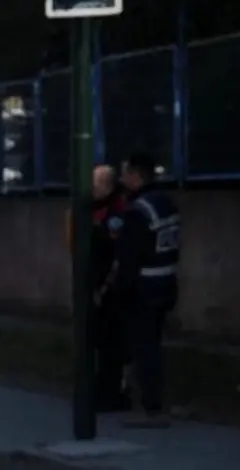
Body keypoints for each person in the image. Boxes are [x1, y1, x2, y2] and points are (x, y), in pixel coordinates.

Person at [116, 152, 179, 427]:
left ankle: (150, 408)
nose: (121, 177)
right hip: (166, 284)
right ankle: (155, 404)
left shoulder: (138, 212)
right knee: (153, 346)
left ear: (137, 175)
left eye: (125, 172)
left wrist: (120, 290)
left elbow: (129, 258)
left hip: (143, 289)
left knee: (144, 350)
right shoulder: (166, 204)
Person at [90, 164, 131, 412]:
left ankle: (112, 393)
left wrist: (106, 285)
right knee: (101, 342)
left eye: (95, 185)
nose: (91, 190)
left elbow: (117, 252)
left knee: (112, 343)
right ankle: (103, 390)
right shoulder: (97, 208)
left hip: (111, 287)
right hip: (98, 284)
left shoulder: (117, 210)